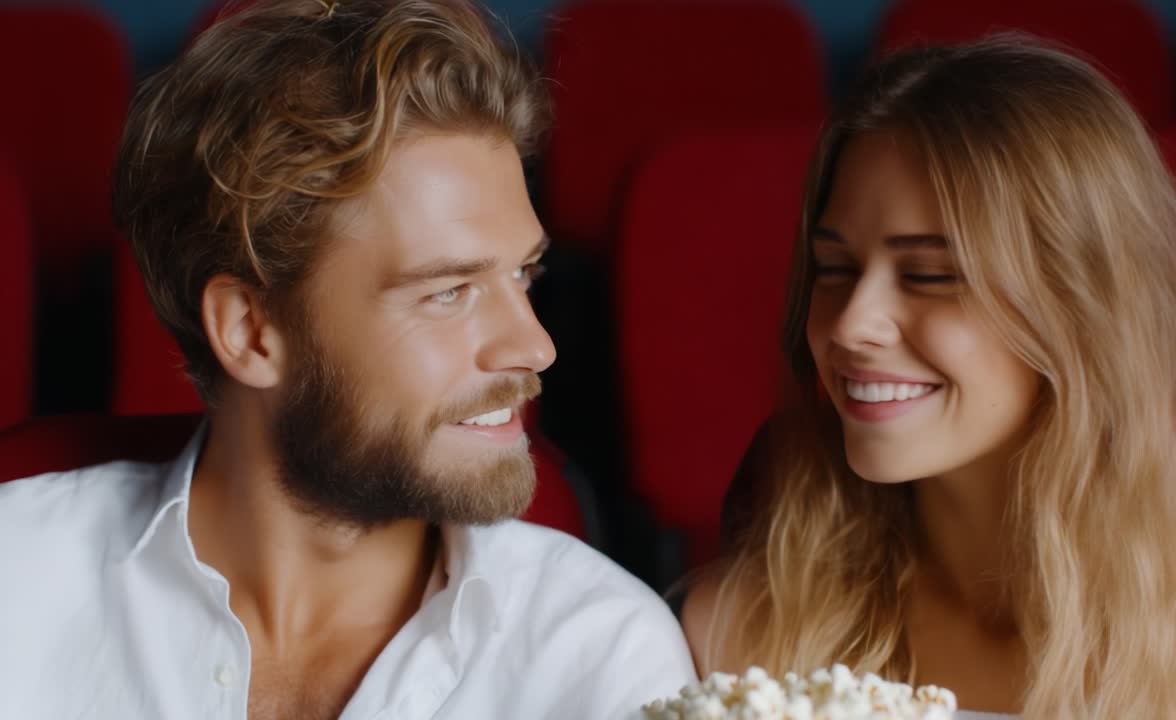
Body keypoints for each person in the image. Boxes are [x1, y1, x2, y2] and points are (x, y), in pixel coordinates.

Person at [0, 1, 695, 717]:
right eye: (450, 291)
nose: (534, 347)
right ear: (249, 330)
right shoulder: (14, 582)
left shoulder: (603, 656)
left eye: (524, 275)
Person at [682, 39, 1176, 718]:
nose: (851, 325)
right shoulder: (740, 632)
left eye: (931, 275)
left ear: (1083, 309)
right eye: (835, 269)